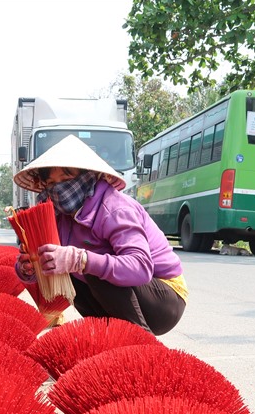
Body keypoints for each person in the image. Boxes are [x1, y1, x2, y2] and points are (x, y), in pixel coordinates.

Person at [13, 135, 187, 335]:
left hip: (164, 299)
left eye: (66, 179)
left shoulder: (115, 208)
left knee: (90, 266)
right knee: (72, 266)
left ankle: (141, 341)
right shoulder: (59, 217)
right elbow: (50, 265)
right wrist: (29, 267)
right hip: (122, 297)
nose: (58, 189)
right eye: (51, 183)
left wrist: (82, 259)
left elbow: (140, 267)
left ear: (89, 176)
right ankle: (107, 335)